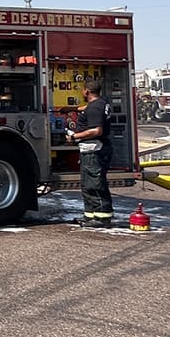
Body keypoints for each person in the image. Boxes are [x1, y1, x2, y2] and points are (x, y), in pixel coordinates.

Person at [68, 78, 114, 228]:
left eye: (82, 90)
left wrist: (74, 136)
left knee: (95, 184)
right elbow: (87, 109)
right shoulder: (100, 104)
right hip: (91, 150)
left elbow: (96, 130)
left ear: (86, 91)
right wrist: (72, 109)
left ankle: (102, 218)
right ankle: (90, 216)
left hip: (95, 150)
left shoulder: (95, 108)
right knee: (88, 184)